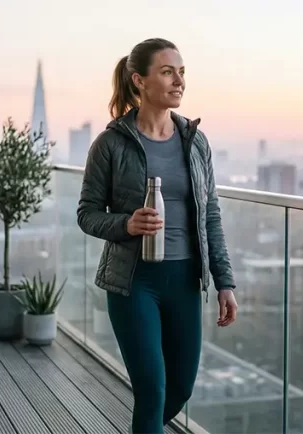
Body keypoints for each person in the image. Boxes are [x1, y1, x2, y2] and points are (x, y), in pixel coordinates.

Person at [77, 37, 239, 433]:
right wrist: (126, 224)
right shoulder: (110, 144)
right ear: (140, 80)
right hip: (134, 283)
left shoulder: (196, 142)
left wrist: (225, 281)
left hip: (185, 281)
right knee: (152, 390)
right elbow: (87, 214)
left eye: (182, 72)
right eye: (167, 71)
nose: (179, 81)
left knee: (179, 389)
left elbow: (210, 215)